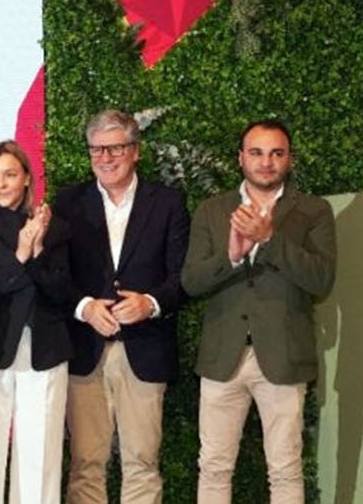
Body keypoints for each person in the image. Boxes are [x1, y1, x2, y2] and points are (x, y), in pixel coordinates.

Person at [183, 120, 336, 504]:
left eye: (276, 153)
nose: (266, 162)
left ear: (289, 159)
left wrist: (269, 240)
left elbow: (321, 279)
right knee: (214, 467)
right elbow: (191, 281)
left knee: (285, 469)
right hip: (222, 357)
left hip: (284, 356)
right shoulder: (212, 210)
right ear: (241, 158)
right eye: (256, 152)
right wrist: (232, 257)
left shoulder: (313, 211)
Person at [53, 110, 189, 504]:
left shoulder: (168, 203)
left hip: (145, 349)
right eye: (97, 149)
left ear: (135, 151)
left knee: (142, 462)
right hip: (85, 351)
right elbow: (55, 276)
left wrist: (150, 303)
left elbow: (183, 275)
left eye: (115, 148)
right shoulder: (68, 202)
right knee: (84, 463)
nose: (105, 158)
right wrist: (84, 307)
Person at [0, 141, 74, 504]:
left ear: (26, 178)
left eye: (9, 174)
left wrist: (38, 251)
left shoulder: (56, 228)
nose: (1, 184)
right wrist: (20, 254)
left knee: (40, 456)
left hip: (45, 350)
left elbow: (62, 292)